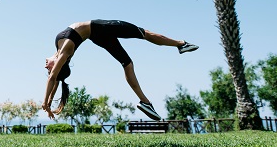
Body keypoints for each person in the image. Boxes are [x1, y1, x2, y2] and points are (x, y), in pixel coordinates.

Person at [42, 19, 198, 121]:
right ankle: (181, 44)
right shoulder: (66, 50)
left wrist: (48, 104)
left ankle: (145, 103)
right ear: (58, 65)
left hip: (96, 35)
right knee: (144, 33)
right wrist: (45, 102)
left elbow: (55, 79)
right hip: (101, 28)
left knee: (127, 63)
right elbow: (53, 78)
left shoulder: (59, 50)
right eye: (49, 68)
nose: (46, 66)